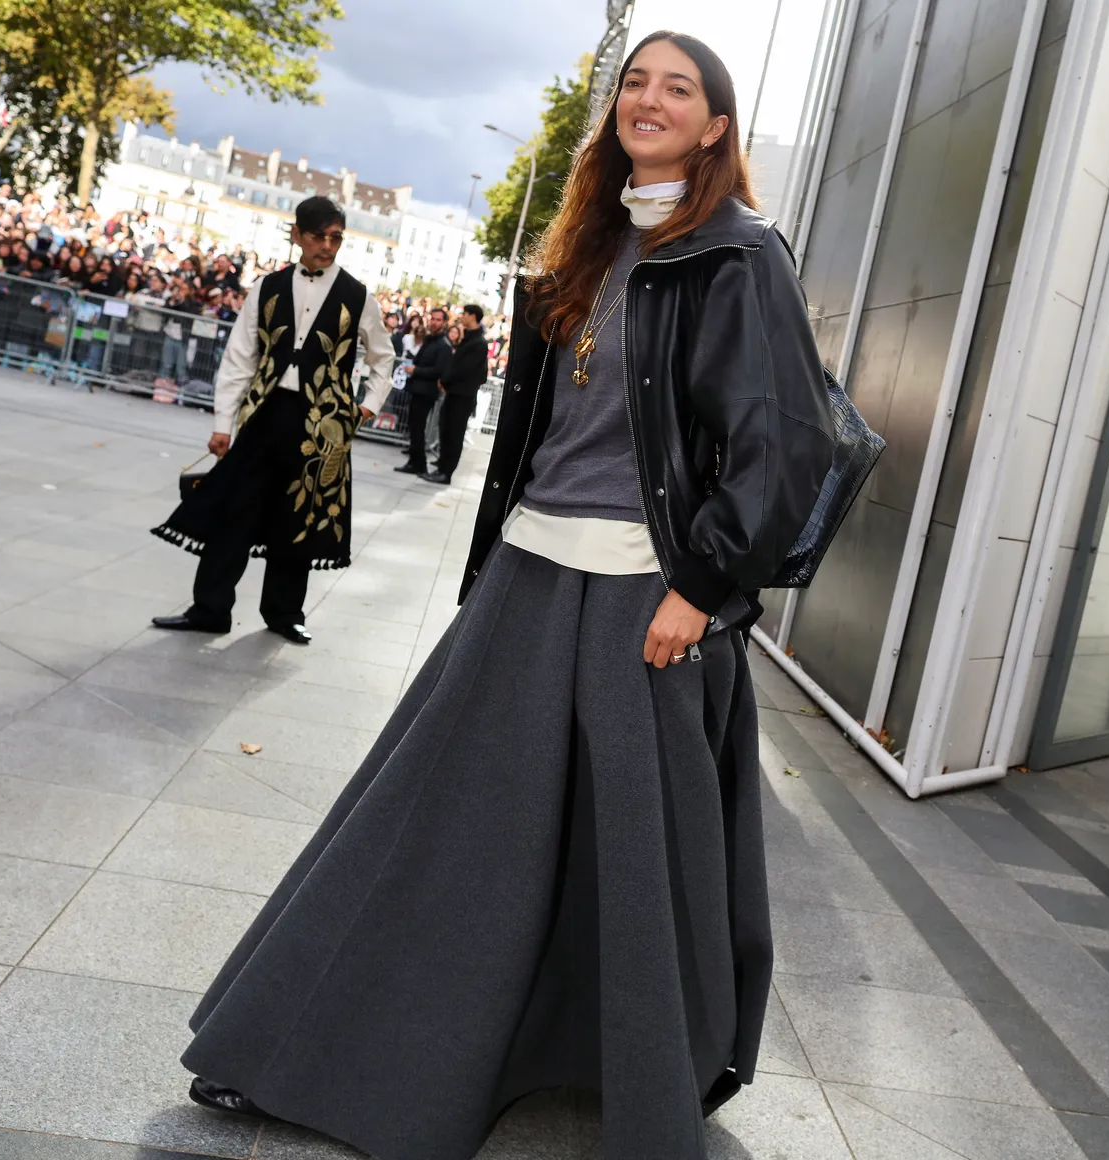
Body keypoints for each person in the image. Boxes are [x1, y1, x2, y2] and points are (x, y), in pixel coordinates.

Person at [180, 31, 834, 1158]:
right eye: (636, 81)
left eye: (680, 89)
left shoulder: (738, 254)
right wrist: (489, 561)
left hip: (643, 590)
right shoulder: (585, 241)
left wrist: (704, 582)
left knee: (630, 862)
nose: (650, 99)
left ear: (716, 126)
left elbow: (784, 442)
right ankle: (318, 1048)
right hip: (531, 572)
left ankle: (618, 1075)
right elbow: (541, 432)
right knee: (441, 831)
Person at [150, 196, 394, 645]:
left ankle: (284, 614)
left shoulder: (360, 297)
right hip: (264, 416)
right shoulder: (267, 286)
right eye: (318, 236)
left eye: (335, 237)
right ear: (296, 234)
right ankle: (210, 609)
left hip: (321, 427)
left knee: (300, 518)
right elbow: (239, 357)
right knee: (233, 513)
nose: (327, 245)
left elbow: (384, 358)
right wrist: (223, 423)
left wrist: (366, 407)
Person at [423, 303, 490, 485]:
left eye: (465, 314)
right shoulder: (469, 339)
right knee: (446, 430)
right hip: (455, 393)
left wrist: (445, 380)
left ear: (473, 316)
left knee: (454, 434)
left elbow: (465, 369)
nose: (462, 317)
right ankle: (442, 465)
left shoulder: (478, 343)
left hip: (462, 396)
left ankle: (446, 472)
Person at [396, 306, 454, 475]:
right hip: (417, 389)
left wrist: (416, 370)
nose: (434, 322)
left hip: (426, 392)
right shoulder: (430, 340)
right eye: (433, 319)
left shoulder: (443, 345)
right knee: (414, 428)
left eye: (438, 320)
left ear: (443, 323)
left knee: (418, 428)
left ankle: (419, 464)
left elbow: (439, 370)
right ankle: (415, 462)